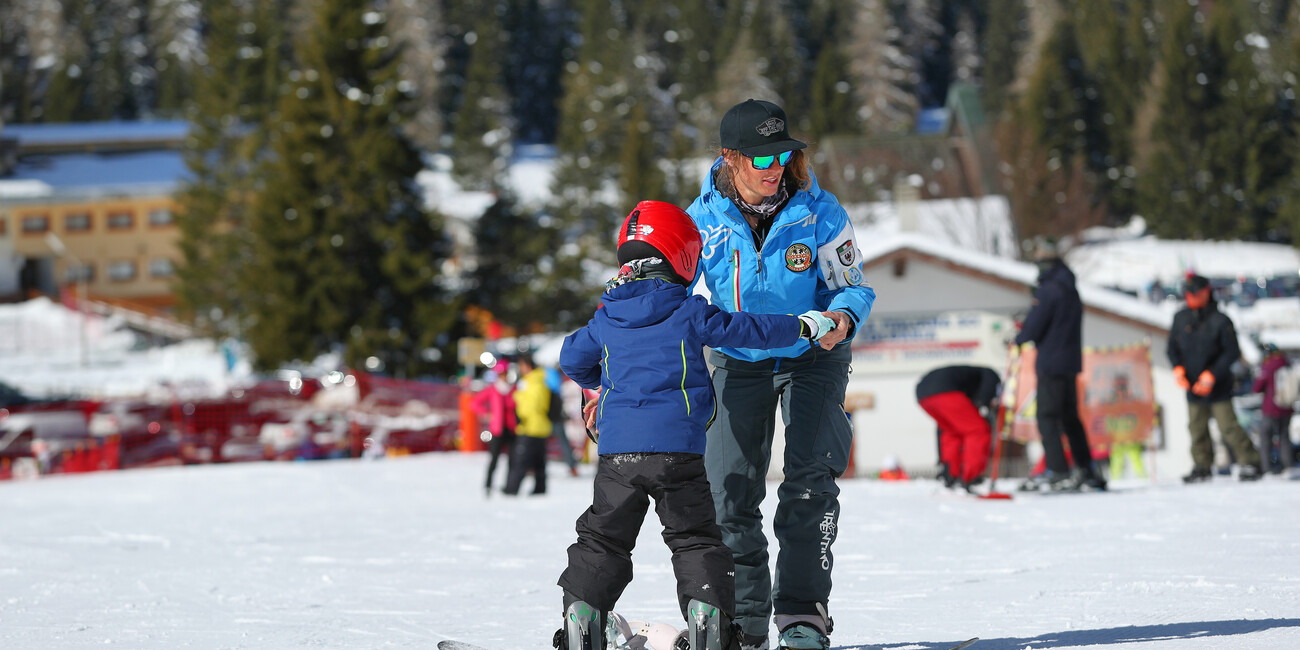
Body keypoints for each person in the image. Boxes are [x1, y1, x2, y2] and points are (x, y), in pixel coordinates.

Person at [554, 200, 836, 650]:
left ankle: (582, 617)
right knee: (695, 540)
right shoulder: (689, 311)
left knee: (602, 540)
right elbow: (748, 331)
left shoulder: (606, 317)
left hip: (617, 458)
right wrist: (802, 328)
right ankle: (709, 623)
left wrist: (601, 386)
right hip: (678, 454)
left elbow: (571, 358)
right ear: (682, 256)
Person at [685, 99, 876, 650]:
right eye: (761, 157)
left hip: (812, 356)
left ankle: (802, 616)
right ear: (731, 157)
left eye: (783, 153)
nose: (774, 166)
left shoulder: (820, 211)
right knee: (728, 495)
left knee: (810, 484)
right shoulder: (700, 222)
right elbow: (667, 297)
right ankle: (744, 625)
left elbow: (853, 284)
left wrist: (843, 315)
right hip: (736, 359)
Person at [1013, 243, 1107, 492]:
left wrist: (1019, 338)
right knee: (1069, 418)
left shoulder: (1049, 290)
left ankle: (1058, 470)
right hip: (1070, 362)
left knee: (1047, 417)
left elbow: (1035, 325)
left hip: (1051, 362)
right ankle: (1085, 468)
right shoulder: (1071, 289)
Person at [1168, 274, 1263, 482]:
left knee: (1228, 427)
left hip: (1218, 385)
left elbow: (1231, 352)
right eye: (1188, 294)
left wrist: (1212, 374)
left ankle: (1250, 462)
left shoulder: (1221, 321)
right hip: (1193, 385)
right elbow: (1172, 348)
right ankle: (1202, 466)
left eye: (1195, 293)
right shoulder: (1181, 318)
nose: (1191, 297)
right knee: (1196, 428)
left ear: (1206, 292)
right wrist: (1178, 370)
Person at [915, 365, 1001, 492]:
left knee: (951, 432)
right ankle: (971, 477)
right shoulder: (992, 374)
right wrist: (988, 405)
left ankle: (950, 476)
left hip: (923, 394)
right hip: (945, 390)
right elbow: (987, 395)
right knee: (978, 430)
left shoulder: (971, 378)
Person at [503, 355, 551, 496]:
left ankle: (512, 489)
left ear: (527, 366)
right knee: (539, 462)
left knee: (521, 461)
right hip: (541, 426)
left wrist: (518, 401)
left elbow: (532, 405)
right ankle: (539, 488)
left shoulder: (531, 382)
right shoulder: (541, 380)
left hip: (530, 426)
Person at [470, 369, 516, 496]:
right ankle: (488, 485)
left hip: (511, 428)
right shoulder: (492, 389)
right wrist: (486, 414)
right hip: (497, 429)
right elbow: (474, 403)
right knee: (494, 459)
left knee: (512, 460)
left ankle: (509, 487)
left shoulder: (513, 389)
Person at [1253, 343, 1294, 475]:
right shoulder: (1287, 364)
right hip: (1286, 407)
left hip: (1270, 408)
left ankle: (1267, 467)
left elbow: (1257, 388)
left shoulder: (1268, 366)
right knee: (1284, 436)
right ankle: (1287, 465)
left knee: (1266, 438)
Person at [544, 365, 581, 477]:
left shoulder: (547, 377)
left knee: (540, 444)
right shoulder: (556, 380)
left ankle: (534, 467)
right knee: (563, 442)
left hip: (548, 416)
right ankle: (572, 466)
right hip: (555, 416)